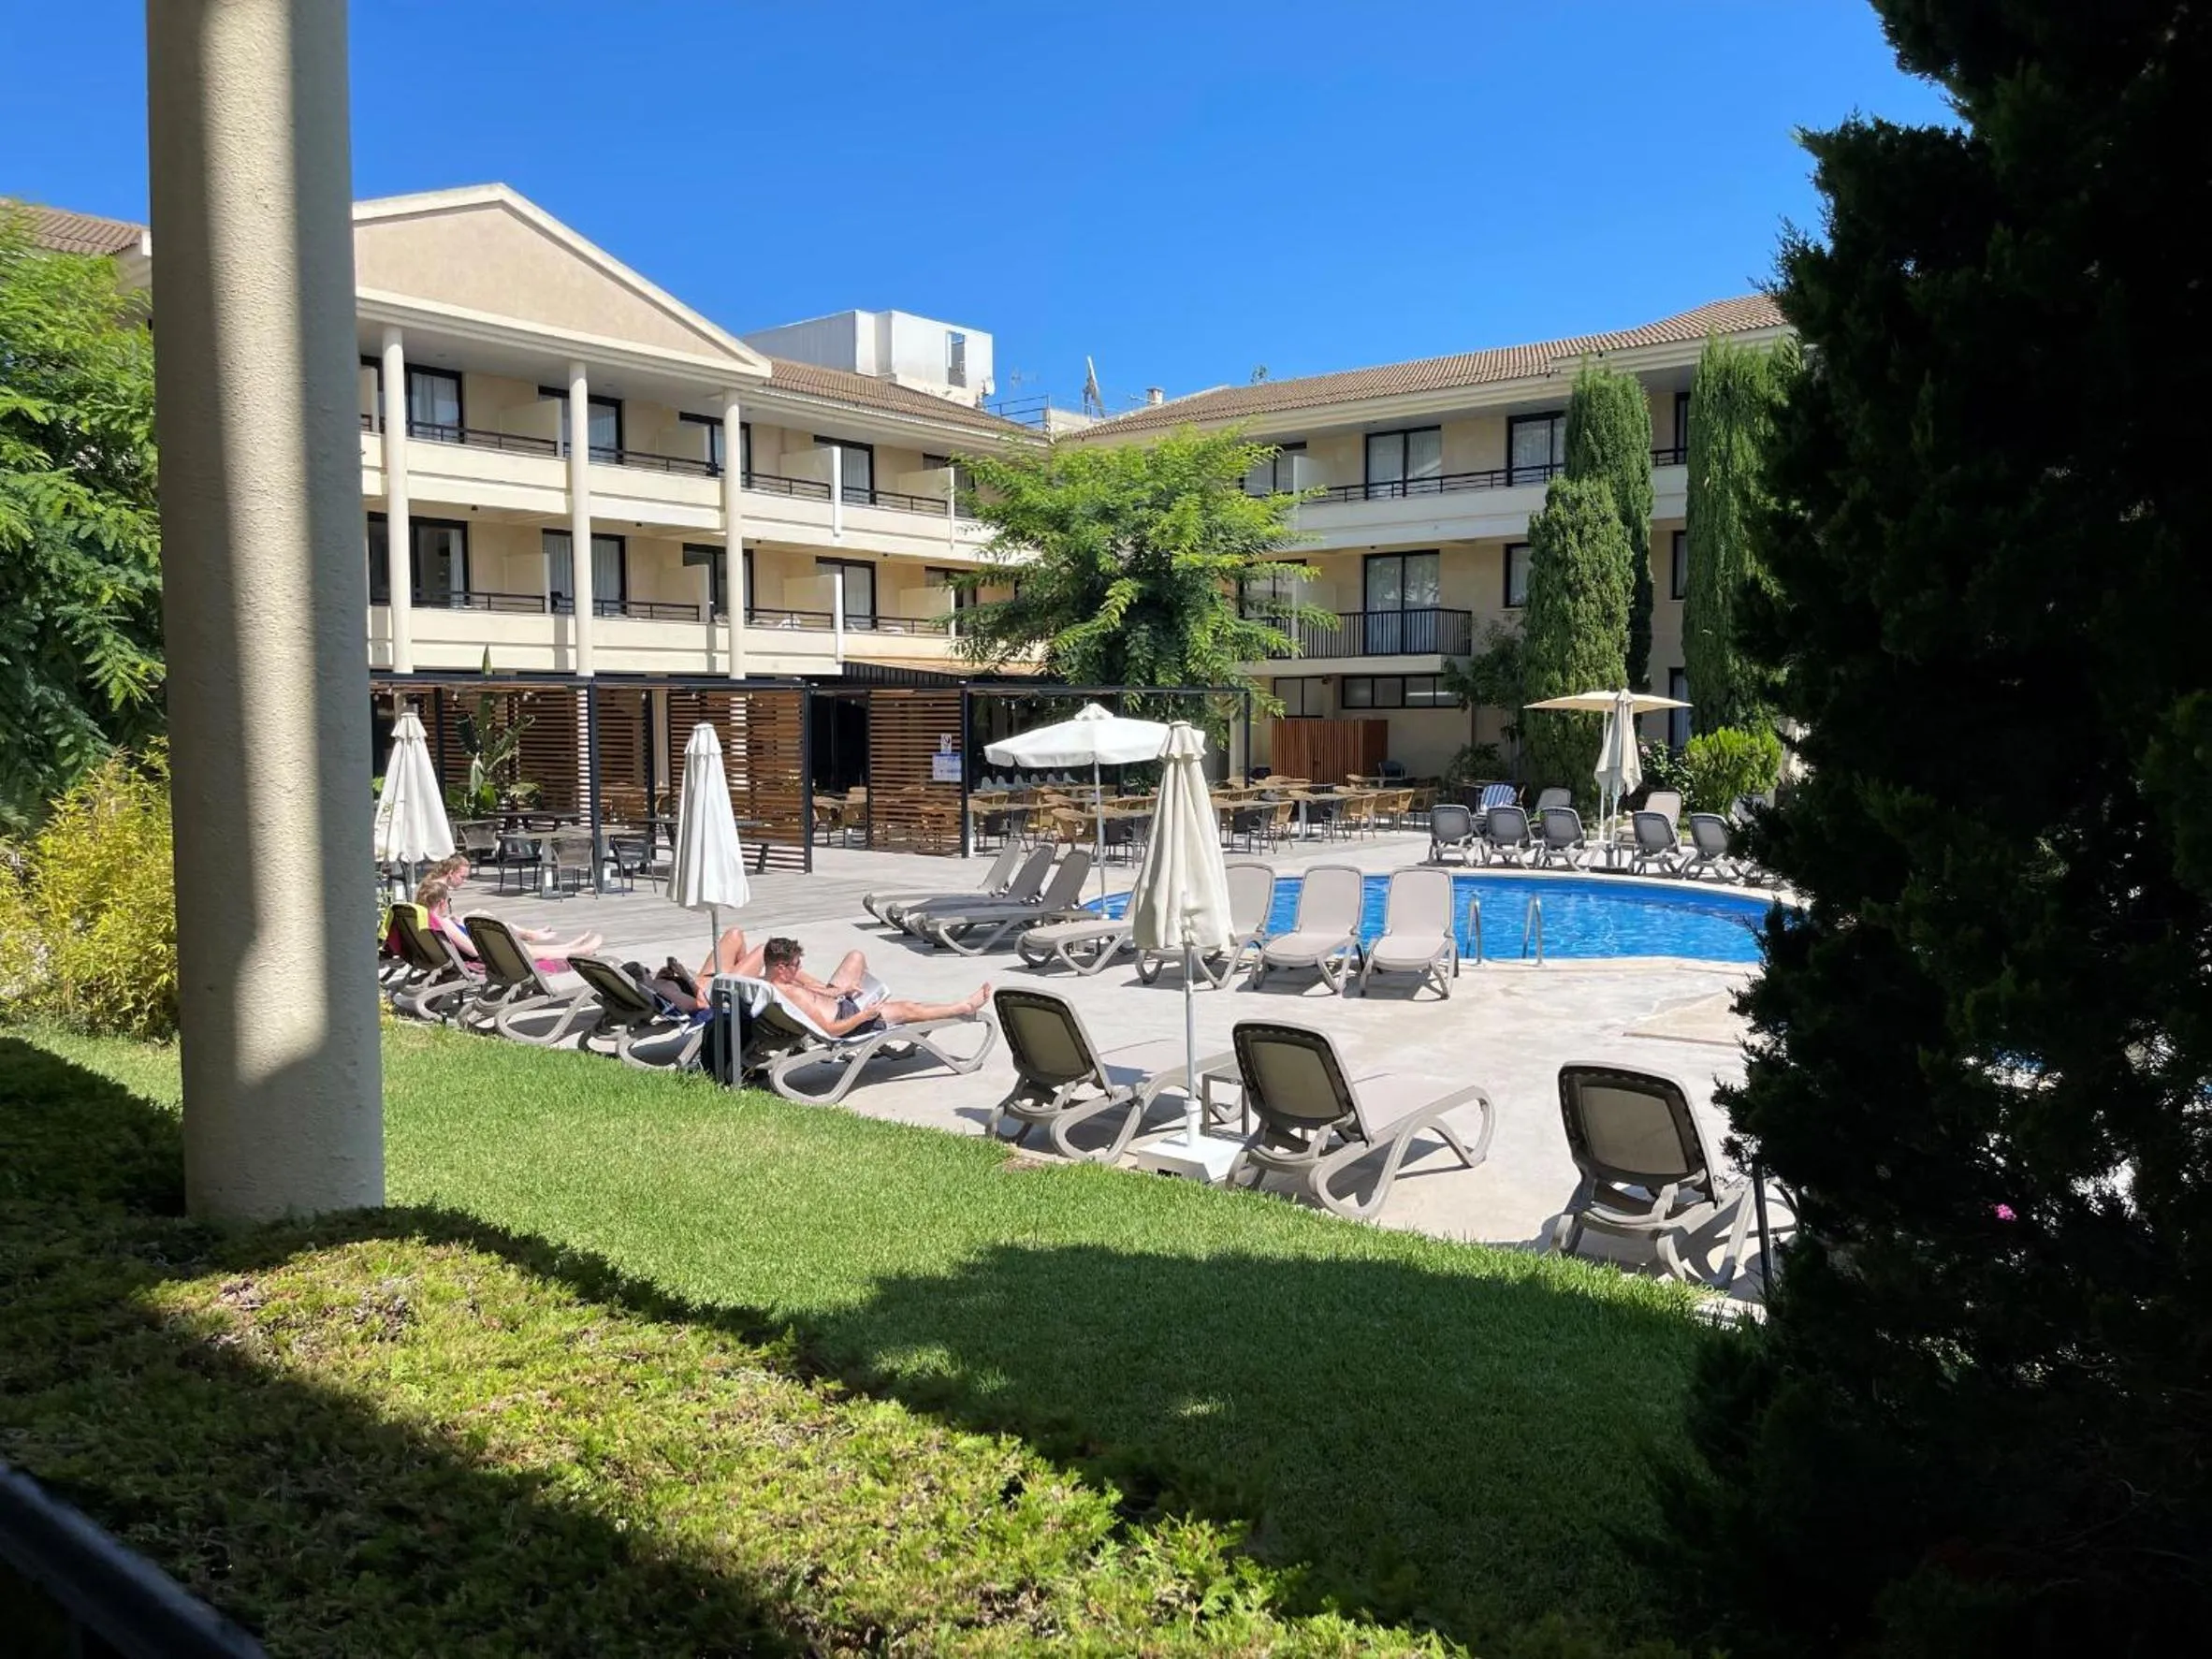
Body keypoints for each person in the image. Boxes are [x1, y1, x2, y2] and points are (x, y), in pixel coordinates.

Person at [756, 936, 987, 1037]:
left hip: (839, 1003)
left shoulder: (766, 983)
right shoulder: (789, 993)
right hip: (847, 1018)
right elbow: (830, 1029)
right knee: (908, 1008)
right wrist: (865, 1015)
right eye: (796, 965)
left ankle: (862, 996)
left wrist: (837, 991)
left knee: (855, 957)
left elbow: (811, 996)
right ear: (781, 967)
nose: (799, 968)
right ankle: (963, 1007)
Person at [413, 877, 602, 974]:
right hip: (485, 959)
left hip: (453, 957)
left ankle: (571, 947)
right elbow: (473, 950)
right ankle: (577, 952)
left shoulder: (424, 917)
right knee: (532, 951)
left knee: (529, 947)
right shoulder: (443, 922)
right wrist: (482, 938)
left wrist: (460, 923)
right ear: (442, 903)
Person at [420, 858, 580, 953]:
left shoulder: (429, 888)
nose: (465, 881)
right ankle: (540, 939)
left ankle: (529, 934)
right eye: (462, 877)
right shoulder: (438, 892)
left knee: (482, 912)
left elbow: (435, 917)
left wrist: (451, 919)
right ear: (451, 874)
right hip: (460, 940)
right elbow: (473, 950)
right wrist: (452, 921)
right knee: (487, 921)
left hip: (445, 934)